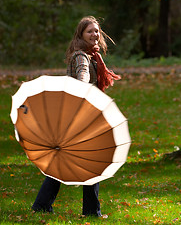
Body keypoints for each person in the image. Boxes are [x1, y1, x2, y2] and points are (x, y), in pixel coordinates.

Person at [31, 16, 121, 217]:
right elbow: (82, 76)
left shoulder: (92, 56)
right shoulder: (81, 57)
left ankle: (42, 205)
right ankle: (91, 212)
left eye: (97, 31)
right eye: (90, 31)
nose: (95, 34)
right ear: (80, 34)